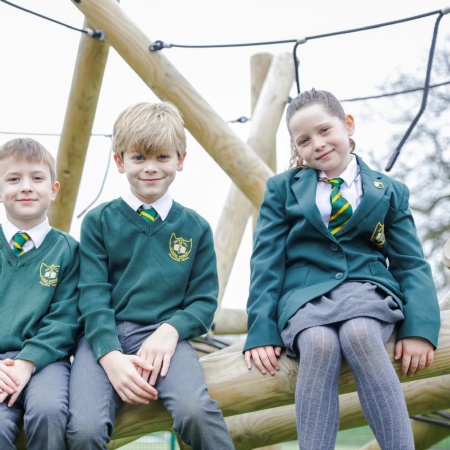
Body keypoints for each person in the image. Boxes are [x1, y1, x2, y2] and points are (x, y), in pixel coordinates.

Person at [243, 89, 440, 450]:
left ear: (347, 124)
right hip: (306, 298)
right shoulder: (281, 190)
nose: (317, 144)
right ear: (296, 147)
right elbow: (266, 263)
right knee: (317, 342)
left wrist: (420, 329)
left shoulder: (389, 191)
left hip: (368, 291)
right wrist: (261, 330)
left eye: (324, 130)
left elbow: (410, 263)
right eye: (304, 140)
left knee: (360, 332)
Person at [66, 101, 235, 450]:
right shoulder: (98, 222)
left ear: (181, 160)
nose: (151, 167)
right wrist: (110, 355)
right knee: (84, 429)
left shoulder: (195, 228)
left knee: (195, 411)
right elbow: (93, 297)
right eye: (139, 158)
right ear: (120, 162)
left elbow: (203, 302)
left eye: (162, 156)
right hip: (103, 335)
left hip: (165, 338)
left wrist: (170, 331)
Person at [0, 137, 80, 449]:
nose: (26, 187)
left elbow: (66, 320)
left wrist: (28, 360)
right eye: (13, 179)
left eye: (36, 178)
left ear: (54, 189)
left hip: (47, 362)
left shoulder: (68, 251)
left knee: (49, 412)